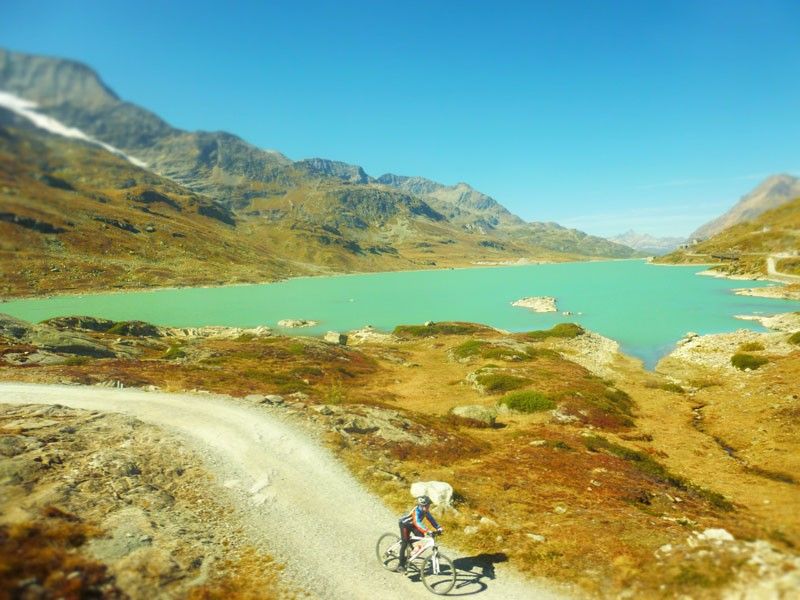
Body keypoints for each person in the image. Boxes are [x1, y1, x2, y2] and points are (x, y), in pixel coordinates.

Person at [396, 495, 443, 573]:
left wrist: (438, 527)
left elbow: (431, 519)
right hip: (405, 525)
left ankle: (410, 547)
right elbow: (417, 522)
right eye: (427, 505)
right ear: (422, 505)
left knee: (421, 537)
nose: (429, 507)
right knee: (404, 543)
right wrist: (427, 531)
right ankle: (400, 565)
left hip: (413, 525)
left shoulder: (425, 511)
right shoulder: (416, 511)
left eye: (429, 505)